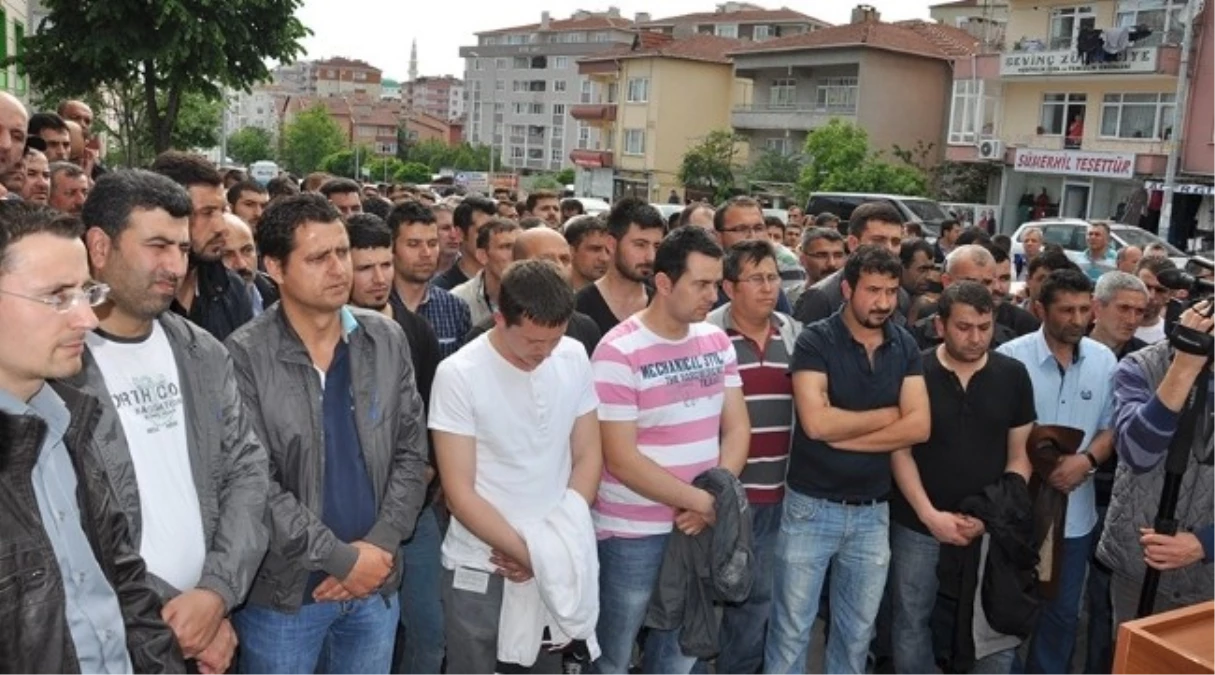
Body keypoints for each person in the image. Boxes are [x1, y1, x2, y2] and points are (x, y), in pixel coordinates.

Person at [74, 169, 270, 673]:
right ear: (99, 245)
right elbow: (74, 524)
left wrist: (216, 594)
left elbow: (247, 473)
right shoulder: (58, 364)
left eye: (182, 248)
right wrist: (177, 616)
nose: (174, 265)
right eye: (157, 245)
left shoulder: (201, 351)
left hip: (207, 621)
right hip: (112, 636)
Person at [225, 194, 430, 674]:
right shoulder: (242, 356)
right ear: (274, 266)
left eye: (342, 252)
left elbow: (410, 451)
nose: (339, 268)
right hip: (285, 595)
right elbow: (253, 484)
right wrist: (339, 559)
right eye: (319, 257)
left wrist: (379, 547)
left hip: (376, 584)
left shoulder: (385, 339)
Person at [0, 201, 185, 673]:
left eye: (86, 292)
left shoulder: (69, 423)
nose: (86, 317)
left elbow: (123, 584)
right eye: (58, 297)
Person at [591, 226, 750, 675]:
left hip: (697, 526)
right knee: (613, 656)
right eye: (701, 284)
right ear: (663, 283)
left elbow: (737, 427)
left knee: (681, 651)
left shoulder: (717, 342)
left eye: (716, 283)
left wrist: (713, 498)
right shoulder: (617, 351)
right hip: (632, 533)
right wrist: (701, 501)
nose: (712, 296)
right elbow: (620, 458)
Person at [431, 259, 602, 672]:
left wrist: (548, 551)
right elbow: (459, 492)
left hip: (555, 556)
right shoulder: (458, 373)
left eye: (554, 340)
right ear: (499, 318)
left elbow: (588, 455)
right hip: (482, 562)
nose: (542, 353)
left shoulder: (574, 355)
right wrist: (528, 553)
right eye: (530, 341)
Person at [766, 245, 930, 675]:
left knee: (857, 636)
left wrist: (847, 435)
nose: (883, 302)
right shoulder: (816, 339)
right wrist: (889, 415)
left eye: (891, 291)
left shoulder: (904, 343)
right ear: (846, 289)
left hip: (873, 513)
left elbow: (919, 428)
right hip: (809, 509)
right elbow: (817, 424)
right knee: (790, 633)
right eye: (873, 290)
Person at [889, 282, 1034, 674]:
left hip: (990, 529)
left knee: (994, 625)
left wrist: (992, 516)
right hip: (917, 523)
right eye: (964, 327)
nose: (975, 338)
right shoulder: (913, 370)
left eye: (984, 327)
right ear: (940, 326)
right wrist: (929, 515)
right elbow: (899, 451)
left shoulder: (1013, 375)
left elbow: (1020, 457)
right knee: (910, 620)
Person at [997, 270, 1117, 675]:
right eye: (1066, 310)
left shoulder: (1104, 360)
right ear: (1038, 309)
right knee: (1005, 613)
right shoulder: (1010, 358)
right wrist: (1041, 467)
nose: (1078, 319)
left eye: (1085, 309)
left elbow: (1111, 427)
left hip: (1076, 518)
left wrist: (1086, 461)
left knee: (1063, 615)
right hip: (1017, 513)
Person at [706, 240, 800, 672]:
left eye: (773, 277)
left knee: (765, 606)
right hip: (726, 499)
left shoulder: (795, 335)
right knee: (721, 602)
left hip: (782, 497)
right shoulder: (706, 337)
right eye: (756, 278)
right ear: (729, 287)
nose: (768, 288)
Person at [1096, 302, 1215, 627]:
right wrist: (1185, 366)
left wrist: (1205, 544)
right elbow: (1138, 452)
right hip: (1141, 569)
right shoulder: (1143, 365)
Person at [150, 151, 253, 341]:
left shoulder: (232, 289)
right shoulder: (138, 294)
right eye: (207, 213)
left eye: (222, 211)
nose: (222, 227)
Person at [460, 226, 602, 356]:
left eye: (565, 259)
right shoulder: (485, 334)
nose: (559, 267)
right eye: (546, 260)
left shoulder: (586, 328)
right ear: (518, 264)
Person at [793, 202, 909, 326]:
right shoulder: (820, 298)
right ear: (853, 243)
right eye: (879, 240)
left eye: (896, 242)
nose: (889, 249)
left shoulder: (901, 296)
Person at [386, 200, 472, 359]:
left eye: (432, 244)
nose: (426, 253)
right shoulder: (375, 304)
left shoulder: (455, 309)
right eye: (413, 244)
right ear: (391, 247)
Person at [575, 197, 662, 336]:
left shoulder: (662, 307)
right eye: (640, 245)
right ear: (612, 244)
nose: (651, 257)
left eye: (657, 246)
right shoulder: (579, 308)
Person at [450, 218, 521, 326]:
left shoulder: (540, 296)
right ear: (482, 256)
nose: (515, 254)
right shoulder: (457, 301)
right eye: (506, 247)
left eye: (519, 248)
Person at [433, 195, 497, 291]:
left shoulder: (507, 284)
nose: (491, 238)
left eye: (496, 231)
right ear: (460, 234)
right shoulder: (441, 290)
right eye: (483, 231)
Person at [221, 213, 279, 316]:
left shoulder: (280, 293)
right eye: (227, 255)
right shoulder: (206, 310)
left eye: (247, 250)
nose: (241, 264)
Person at [790, 227, 846, 307]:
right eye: (821, 256)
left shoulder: (853, 302)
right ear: (802, 259)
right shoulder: (787, 299)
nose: (831, 263)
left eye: (838, 256)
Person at [1134, 256, 1177, 344]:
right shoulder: (1108, 326)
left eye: (1160, 290)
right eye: (1145, 287)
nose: (1151, 296)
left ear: (1170, 295)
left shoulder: (1171, 339)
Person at [565, 214, 612, 291]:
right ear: (571, 251)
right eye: (595, 249)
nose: (605, 258)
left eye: (608, 251)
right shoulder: (553, 294)